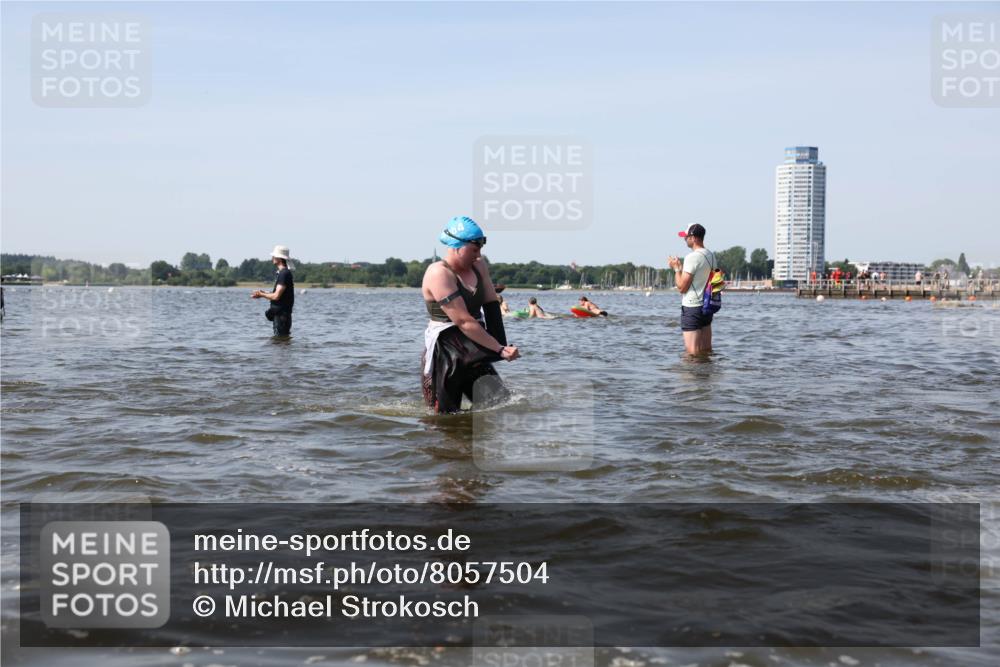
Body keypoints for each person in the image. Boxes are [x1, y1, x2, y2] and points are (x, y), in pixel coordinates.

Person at [421, 216, 519, 413]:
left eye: (480, 249)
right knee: (445, 418)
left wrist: (499, 348)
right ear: (457, 246)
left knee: (500, 403)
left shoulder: (479, 266)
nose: (478, 255)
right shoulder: (439, 273)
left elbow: (491, 303)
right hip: (446, 353)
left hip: (474, 349)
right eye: (474, 250)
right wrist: (499, 349)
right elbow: (463, 321)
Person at [668, 223, 717, 355]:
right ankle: (706, 374)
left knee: (692, 353)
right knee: (706, 350)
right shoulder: (711, 255)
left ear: (694, 238)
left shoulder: (692, 257)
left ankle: (692, 375)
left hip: (692, 307)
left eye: (686, 237)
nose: (685, 239)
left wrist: (677, 269)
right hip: (707, 307)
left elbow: (682, 287)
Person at [251, 245, 295, 336]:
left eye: (274, 256)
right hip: (283, 316)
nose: (272, 258)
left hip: (282, 316)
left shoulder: (283, 274)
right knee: (282, 343)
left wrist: (261, 294)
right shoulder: (284, 273)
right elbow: (279, 295)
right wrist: (262, 293)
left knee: (280, 343)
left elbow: (276, 296)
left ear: (279, 258)